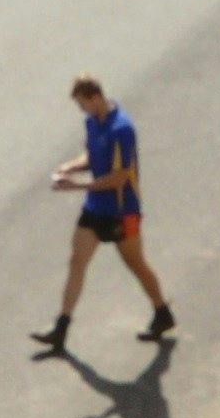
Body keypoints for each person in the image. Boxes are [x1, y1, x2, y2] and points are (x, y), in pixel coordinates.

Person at [39, 74, 174, 352]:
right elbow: (91, 157)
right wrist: (69, 167)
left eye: (82, 104)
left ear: (95, 98)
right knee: (77, 261)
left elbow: (119, 177)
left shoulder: (122, 129)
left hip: (122, 211)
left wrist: (76, 186)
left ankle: (162, 312)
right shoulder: (92, 122)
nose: (81, 110)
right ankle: (61, 329)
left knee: (136, 264)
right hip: (95, 207)